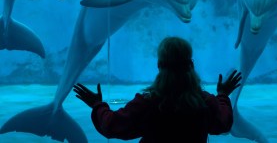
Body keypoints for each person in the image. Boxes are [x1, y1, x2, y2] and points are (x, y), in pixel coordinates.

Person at [73, 36, 242, 143]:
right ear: (191, 65)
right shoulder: (205, 102)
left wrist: (97, 105)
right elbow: (222, 124)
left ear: (159, 66)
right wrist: (223, 96)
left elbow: (112, 126)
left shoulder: (147, 102)